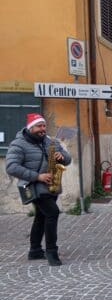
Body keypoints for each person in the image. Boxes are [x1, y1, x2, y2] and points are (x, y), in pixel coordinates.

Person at [5, 113, 72, 266]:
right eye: (39, 126)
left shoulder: (50, 141)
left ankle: (35, 251)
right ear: (30, 128)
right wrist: (37, 176)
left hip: (51, 185)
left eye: (44, 126)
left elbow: (68, 160)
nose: (43, 129)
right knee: (52, 213)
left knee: (41, 216)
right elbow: (11, 167)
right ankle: (51, 252)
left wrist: (61, 156)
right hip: (34, 185)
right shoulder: (18, 144)